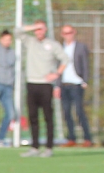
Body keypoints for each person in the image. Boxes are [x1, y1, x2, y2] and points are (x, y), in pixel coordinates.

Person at [18, 20, 68, 158]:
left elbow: (65, 59)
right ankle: (34, 147)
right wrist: (33, 26)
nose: (38, 32)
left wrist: (56, 74)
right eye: (37, 29)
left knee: (48, 116)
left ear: (45, 30)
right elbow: (17, 31)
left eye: (41, 29)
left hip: (45, 85)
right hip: (31, 83)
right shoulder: (30, 42)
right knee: (33, 116)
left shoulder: (53, 45)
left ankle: (49, 147)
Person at [59, 25, 93, 147]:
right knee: (66, 112)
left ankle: (87, 138)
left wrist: (85, 81)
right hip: (64, 84)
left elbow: (85, 64)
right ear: (62, 34)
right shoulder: (60, 48)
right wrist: (57, 85)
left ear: (74, 33)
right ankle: (71, 138)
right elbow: (57, 67)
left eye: (70, 32)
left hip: (77, 84)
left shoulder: (80, 47)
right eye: (65, 33)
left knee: (79, 111)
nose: (68, 35)